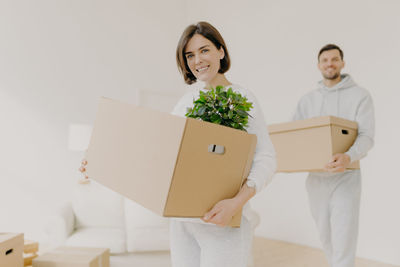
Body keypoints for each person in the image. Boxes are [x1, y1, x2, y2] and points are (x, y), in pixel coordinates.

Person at [169, 21, 276, 267]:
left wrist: (235, 203)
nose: (197, 60)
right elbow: (164, 153)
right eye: (190, 55)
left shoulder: (242, 99)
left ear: (221, 51)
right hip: (183, 223)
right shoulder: (184, 104)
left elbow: (266, 159)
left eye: (204, 50)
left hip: (224, 223)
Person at [293, 44, 375, 267]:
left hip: (346, 176)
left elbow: (367, 136)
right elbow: (295, 136)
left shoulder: (360, 96)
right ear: (319, 65)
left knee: (344, 236)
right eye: (325, 60)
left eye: (335, 59)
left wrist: (348, 157)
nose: (330, 63)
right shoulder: (307, 100)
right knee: (325, 236)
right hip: (316, 179)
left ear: (343, 63)